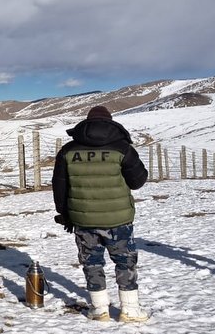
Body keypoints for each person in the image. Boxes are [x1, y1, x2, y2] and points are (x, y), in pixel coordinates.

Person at [52, 106, 149, 322]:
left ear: (86, 124)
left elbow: (59, 186)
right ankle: (130, 310)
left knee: (92, 262)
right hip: (118, 219)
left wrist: (64, 213)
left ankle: (99, 309)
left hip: (83, 219)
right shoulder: (122, 149)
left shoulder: (68, 151)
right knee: (125, 262)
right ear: (110, 123)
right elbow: (138, 181)